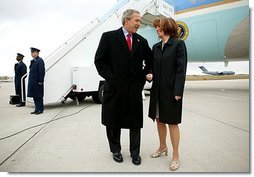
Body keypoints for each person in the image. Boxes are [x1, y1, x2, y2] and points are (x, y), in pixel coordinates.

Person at [94, 9, 152, 165]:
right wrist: (111, 78)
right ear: (126, 20)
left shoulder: (141, 41)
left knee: (135, 122)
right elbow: (99, 61)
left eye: (140, 21)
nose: (139, 24)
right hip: (114, 88)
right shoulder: (109, 37)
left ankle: (135, 153)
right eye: (137, 20)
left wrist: (142, 79)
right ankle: (116, 150)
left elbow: (150, 62)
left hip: (133, 89)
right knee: (113, 120)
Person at [146, 17, 187, 171]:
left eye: (159, 26)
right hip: (157, 91)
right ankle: (163, 147)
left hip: (171, 92)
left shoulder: (178, 44)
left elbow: (180, 70)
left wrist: (178, 91)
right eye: (156, 27)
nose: (156, 29)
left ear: (167, 27)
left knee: (172, 123)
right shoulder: (156, 47)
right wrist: (150, 74)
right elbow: (152, 67)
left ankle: (175, 155)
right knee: (159, 120)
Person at [27, 47, 45, 115]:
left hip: (38, 82)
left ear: (37, 53)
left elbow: (42, 71)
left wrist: (41, 80)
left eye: (33, 52)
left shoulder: (40, 60)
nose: (32, 54)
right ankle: (36, 109)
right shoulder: (33, 61)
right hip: (33, 82)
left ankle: (40, 109)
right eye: (31, 52)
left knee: (39, 96)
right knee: (35, 96)